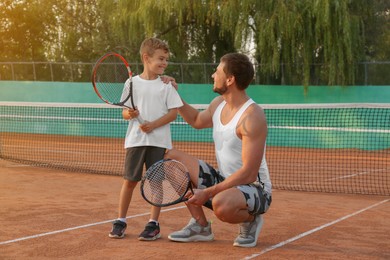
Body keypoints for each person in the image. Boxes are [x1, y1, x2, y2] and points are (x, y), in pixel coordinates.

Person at [164, 53, 272, 247]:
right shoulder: (218, 104)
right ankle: (201, 226)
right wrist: (174, 95)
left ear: (230, 79)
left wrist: (208, 192)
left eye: (218, 71)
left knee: (221, 204)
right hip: (225, 180)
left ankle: (250, 220)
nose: (213, 75)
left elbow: (248, 173)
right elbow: (196, 121)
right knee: (171, 159)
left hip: (255, 189)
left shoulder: (252, 116)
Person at [109, 38, 183, 241]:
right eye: (161, 59)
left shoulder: (166, 85)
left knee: (156, 184)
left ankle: (153, 224)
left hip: (158, 142)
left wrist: (153, 125)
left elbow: (173, 114)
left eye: (166, 60)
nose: (164, 63)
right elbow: (124, 112)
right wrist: (130, 115)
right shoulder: (131, 83)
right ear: (146, 57)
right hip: (135, 141)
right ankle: (120, 221)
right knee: (130, 181)